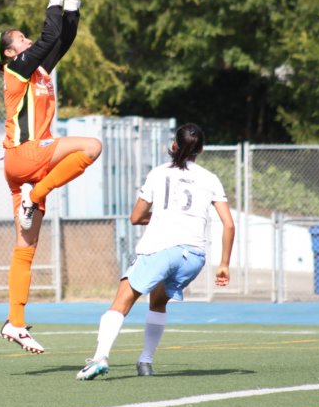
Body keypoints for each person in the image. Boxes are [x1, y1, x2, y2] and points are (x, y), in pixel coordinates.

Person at [0, 0, 102, 354]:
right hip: (27, 155)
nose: (29, 40)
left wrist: (73, 3)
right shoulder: (16, 70)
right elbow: (49, 38)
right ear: (10, 52)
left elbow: (61, 39)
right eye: (22, 39)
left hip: (23, 166)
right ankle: (35, 196)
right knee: (92, 146)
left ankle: (14, 323)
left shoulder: (37, 70)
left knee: (25, 249)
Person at [76, 123, 235, 379]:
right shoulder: (210, 178)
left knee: (120, 303)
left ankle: (99, 357)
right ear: (202, 150)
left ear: (173, 146)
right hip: (193, 257)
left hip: (161, 249)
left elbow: (136, 217)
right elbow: (229, 224)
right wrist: (224, 264)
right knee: (158, 303)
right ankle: (146, 361)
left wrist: (162, 217)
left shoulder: (159, 173)